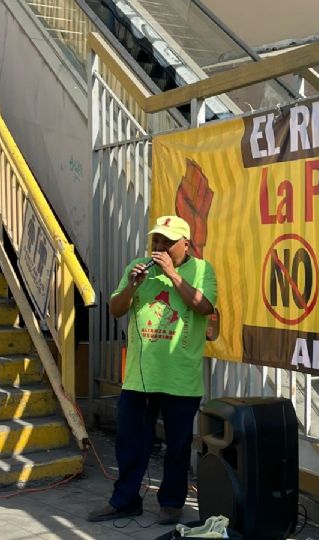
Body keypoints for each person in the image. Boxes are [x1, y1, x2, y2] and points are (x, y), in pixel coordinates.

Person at [87, 215, 217, 525]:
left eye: (167, 242)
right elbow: (116, 309)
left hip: (181, 379)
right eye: (156, 241)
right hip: (139, 377)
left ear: (185, 244)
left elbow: (205, 306)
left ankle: (172, 504)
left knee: (177, 447)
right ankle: (125, 501)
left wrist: (172, 275)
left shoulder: (202, 269)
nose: (159, 247)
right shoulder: (138, 267)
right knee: (130, 443)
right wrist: (131, 287)